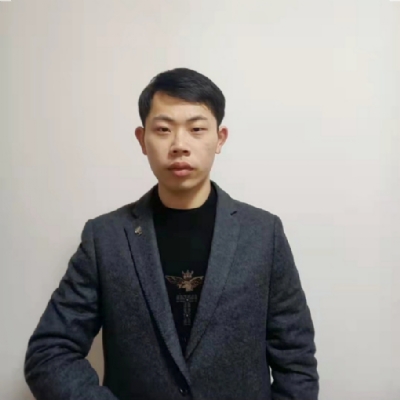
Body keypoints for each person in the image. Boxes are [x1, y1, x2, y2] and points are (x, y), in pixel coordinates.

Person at [24, 67, 319, 400]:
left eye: (196, 129)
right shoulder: (105, 238)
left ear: (220, 138)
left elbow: (296, 360)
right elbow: (49, 353)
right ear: (142, 139)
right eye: (163, 129)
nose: (180, 145)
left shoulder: (264, 234)